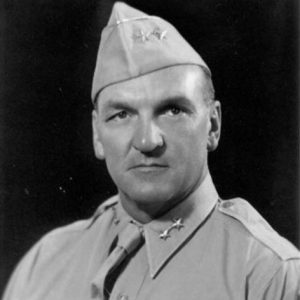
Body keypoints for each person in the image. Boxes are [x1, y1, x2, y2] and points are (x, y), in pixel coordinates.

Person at [3, 2, 300, 300]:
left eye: (172, 110)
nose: (147, 141)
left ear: (212, 125)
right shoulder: (44, 262)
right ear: (97, 134)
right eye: (121, 114)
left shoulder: (268, 275)